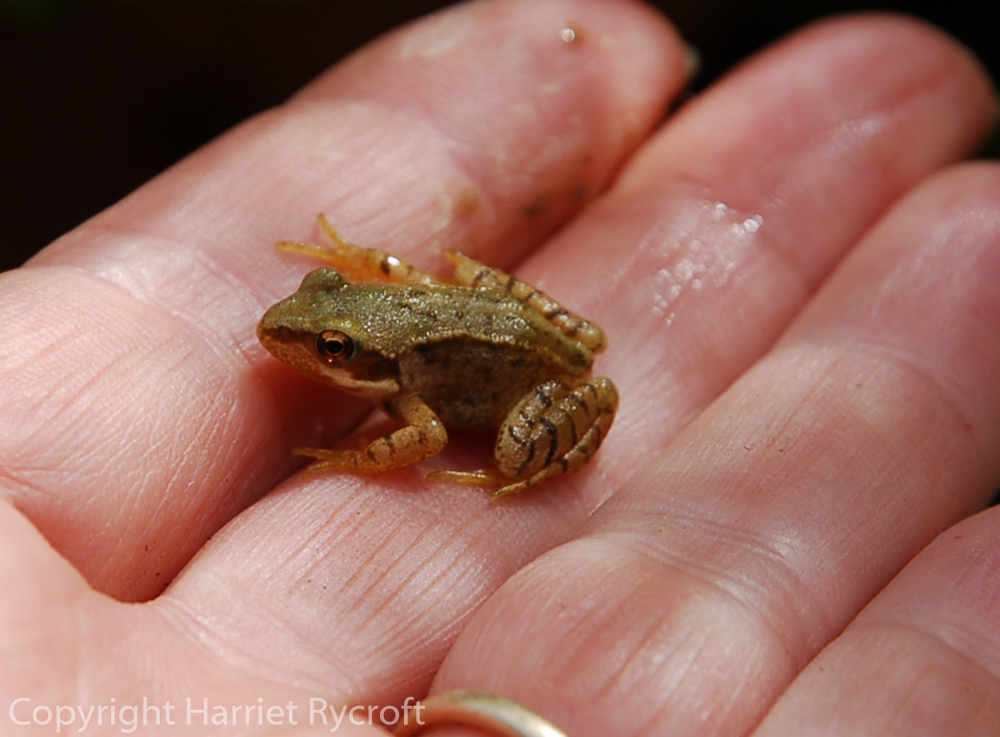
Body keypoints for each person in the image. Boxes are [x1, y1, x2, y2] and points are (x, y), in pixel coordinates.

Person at [2, 0, 998, 734]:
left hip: (532, 377)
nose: (308, 344)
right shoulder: (378, 318)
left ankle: (524, 463)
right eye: (326, 325)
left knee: (515, 439)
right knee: (474, 296)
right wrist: (354, 269)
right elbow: (396, 277)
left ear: (367, 363)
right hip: (502, 319)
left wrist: (355, 458)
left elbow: (430, 433)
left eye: (332, 349)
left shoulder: (409, 389)